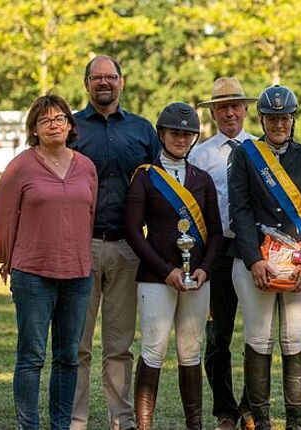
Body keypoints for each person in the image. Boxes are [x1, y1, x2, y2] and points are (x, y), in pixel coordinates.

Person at [0, 94, 97, 430]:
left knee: (68, 357)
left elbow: (89, 216)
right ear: (34, 129)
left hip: (78, 274)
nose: (54, 124)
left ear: (70, 125)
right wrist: (5, 257)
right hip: (33, 273)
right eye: (45, 120)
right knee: (32, 356)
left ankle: (61, 425)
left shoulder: (86, 167)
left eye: (60, 118)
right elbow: (3, 218)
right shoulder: (20, 166)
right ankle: (29, 425)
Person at [70, 55, 161, 430]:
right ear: (86, 83)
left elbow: (160, 190)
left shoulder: (142, 130)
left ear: (122, 82)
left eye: (110, 77)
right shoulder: (71, 128)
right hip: (79, 247)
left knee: (119, 346)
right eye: (97, 77)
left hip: (128, 249)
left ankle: (121, 419)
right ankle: (75, 419)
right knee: (77, 345)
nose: (103, 83)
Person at [228, 84, 301, 430]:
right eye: (272, 118)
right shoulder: (244, 154)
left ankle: (294, 422)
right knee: (258, 339)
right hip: (258, 262)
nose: (279, 124)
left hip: (300, 261)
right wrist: (254, 259)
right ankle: (263, 421)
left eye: (285, 117)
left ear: (293, 119)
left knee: (295, 339)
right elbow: (239, 209)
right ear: (262, 119)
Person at [124, 102, 222, 430]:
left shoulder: (203, 180)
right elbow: (133, 232)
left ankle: (194, 425)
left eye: (187, 133)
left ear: (194, 137)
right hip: (156, 277)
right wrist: (166, 271)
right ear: (162, 134)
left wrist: (205, 269)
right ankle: (144, 425)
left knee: (191, 350)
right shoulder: (145, 177)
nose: (180, 139)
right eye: (174, 133)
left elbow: (217, 234)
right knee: (153, 348)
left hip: (197, 277)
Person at [189, 77, 257, 430]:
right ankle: (225, 411)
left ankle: (251, 407)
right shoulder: (199, 155)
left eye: (236, 105)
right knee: (218, 337)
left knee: (257, 334)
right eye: (222, 106)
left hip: (251, 251)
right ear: (213, 112)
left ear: (246, 109)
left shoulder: (260, 150)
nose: (230, 112)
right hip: (215, 253)